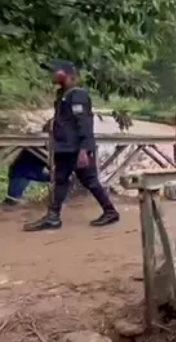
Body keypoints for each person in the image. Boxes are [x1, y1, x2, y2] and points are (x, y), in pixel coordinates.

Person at [24, 60, 119, 231]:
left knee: (83, 180)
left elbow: (84, 124)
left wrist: (84, 150)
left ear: (65, 74)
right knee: (67, 180)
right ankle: (55, 216)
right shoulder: (63, 94)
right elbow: (66, 121)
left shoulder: (78, 95)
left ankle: (108, 211)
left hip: (74, 148)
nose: (52, 75)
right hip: (65, 147)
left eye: (55, 71)